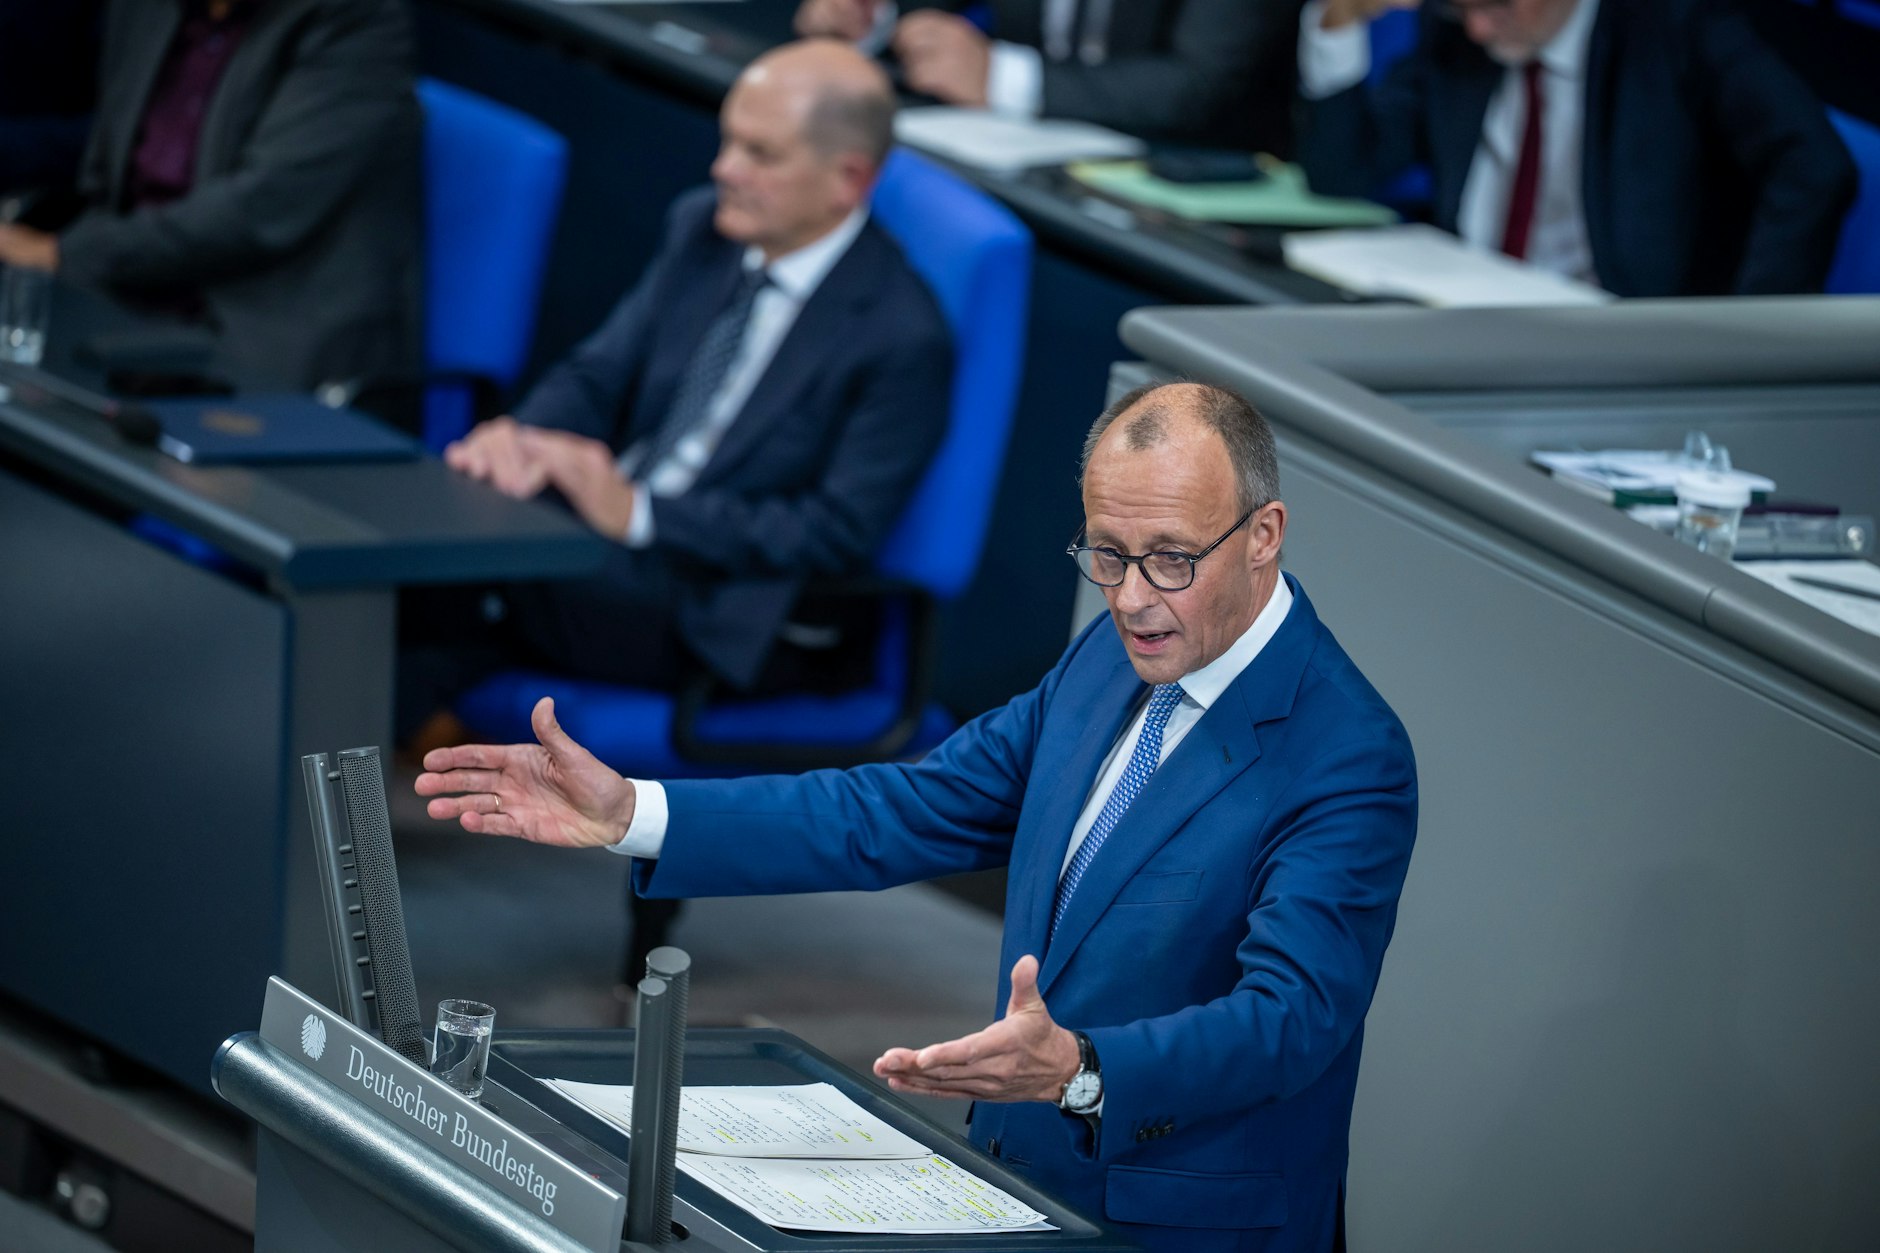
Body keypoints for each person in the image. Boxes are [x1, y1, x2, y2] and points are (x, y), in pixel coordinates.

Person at [417, 381, 1419, 1253]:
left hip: (1184, 1220)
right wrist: (634, 809)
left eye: (1168, 559)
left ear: (1262, 535)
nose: (1130, 599)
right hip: (1015, 1182)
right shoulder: (1103, 660)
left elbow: (1289, 1019)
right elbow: (897, 806)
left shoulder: (1344, 754)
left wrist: (1083, 1068)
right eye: (1104, 554)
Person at [1294, 0, 1856, 296]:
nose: (1480, 29)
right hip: (1459, 308)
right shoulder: (1459, 33)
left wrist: (1744, 332)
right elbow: (1342, 171)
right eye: (1463, 8)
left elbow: (1815, 164)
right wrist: (1337, 22)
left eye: (1498, 4)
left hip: (1605, 337)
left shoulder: (1676, 29)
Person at [0, 0, 422, 389]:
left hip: (255, 336)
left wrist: (62, 253)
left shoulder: (356, 18)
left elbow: (257, 212)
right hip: (119, 302)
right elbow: (107, 158)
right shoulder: (151, 10)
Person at [794, 0, 1300, 152]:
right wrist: (870, 19)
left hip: (1193, 194)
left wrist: (1003, 78)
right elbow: (928, 10)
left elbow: (1199, 85)